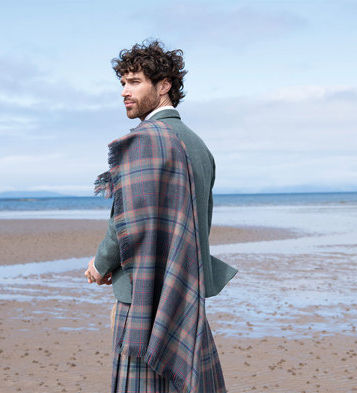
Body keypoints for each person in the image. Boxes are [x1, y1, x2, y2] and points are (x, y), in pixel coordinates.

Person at [85, 40, 237, 393]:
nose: (125, 91)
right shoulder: (199, 146)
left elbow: (125, 222)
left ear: (164, 85)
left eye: (135, 81)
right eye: (122, 82)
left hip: (142, 292)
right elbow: (203, 221)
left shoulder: (146, 140)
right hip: (183, 288)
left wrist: (101, 264)